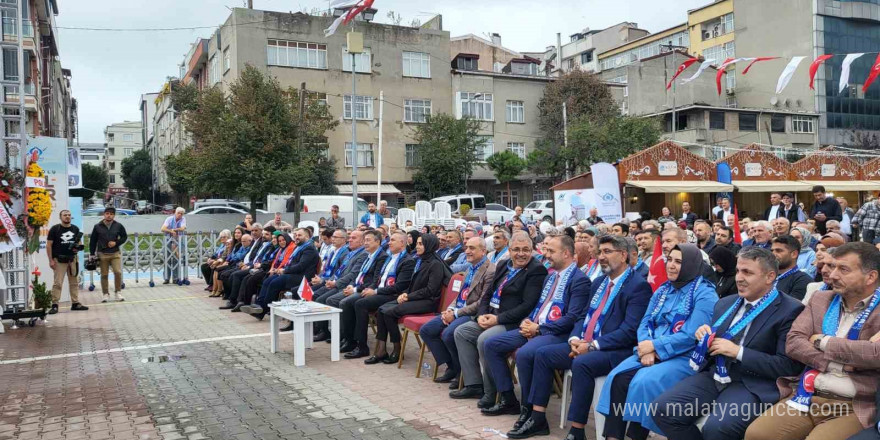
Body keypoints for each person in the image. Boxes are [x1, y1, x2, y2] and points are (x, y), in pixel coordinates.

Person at [507, 235, 651, 440]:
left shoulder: (637, 285)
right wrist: (574, 339)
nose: (601, 257)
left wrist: (592, 345)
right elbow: (582, 316)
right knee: (542, 354)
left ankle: (577, 430)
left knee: (583, 364)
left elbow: (629, 331)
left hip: (615, 350)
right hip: (584, 343)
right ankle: (538, 418)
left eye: (607, 252)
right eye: (600, 252)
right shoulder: (600, 282)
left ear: (624, 255)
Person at [653, 247, 805, 440]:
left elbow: (788, 366)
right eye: (738, 270)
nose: (739, 278)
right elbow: (712, 348)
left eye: (747, 272)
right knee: (663, 409)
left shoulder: (790, 310)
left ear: (769, 277)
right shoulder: (726, 303)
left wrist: (739, 352)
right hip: (716, 374)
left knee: (717, 428)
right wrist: (704, 339)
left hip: (752, 383)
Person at [745, 242, 880, 440]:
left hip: (853, 403)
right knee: (757, 434)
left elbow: (875, 355)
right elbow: (794, 342)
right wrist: (839, 361)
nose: (832, 275)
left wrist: (823, 342)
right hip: (805, 394)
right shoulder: (821, 299)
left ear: (871, 276)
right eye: (832, 267)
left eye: (843, 269)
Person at [595, 244, 717, 440]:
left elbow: (692, 334)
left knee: (644, 382)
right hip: (650, 351)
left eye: (679, 262)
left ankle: (637, 436)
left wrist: (655, 347)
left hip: (684, 356)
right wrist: (647, 347)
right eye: (670, 260)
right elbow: (645, 323)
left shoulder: (705, 293)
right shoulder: (663, 289)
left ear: (692, 265)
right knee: (617, 378)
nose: (671, 265)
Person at [480, 235, 591, 419]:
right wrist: (528, 321)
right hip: (536, 327)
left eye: (551, 251)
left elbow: (572, 318)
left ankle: (529, 409)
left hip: (557, 333)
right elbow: (539, 306)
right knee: (491, 344)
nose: (546, 255)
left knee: (525, 354)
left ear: (565, 254)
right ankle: (508, 398)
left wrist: (538, 329)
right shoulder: (551, 277)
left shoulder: (579, 280)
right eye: (546, 250)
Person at [450, 232, 547, 408]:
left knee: (484, 339)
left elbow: (527, 305)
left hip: (511, 322)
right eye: (516, 249)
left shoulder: (536, 270)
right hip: (491, 316)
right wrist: (481, 315)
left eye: (526, 250)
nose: (521, 254)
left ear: (532, 251)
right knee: (461, 332)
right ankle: (474, 384)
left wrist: (497, 319)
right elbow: (487, 294)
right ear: (509, 250)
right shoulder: (503, 264)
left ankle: (493, 392)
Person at [421, 236, 496, 384]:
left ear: (483, 251)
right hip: (457, 310)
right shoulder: (471, 267)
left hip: (471, 314)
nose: (467, 251)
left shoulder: (490, 271)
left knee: (449, 334)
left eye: (472, 248)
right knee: (427, 330)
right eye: (466, 247)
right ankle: (453, 367)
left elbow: (481, 302)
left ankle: (461, 372)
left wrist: (455, 313)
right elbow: (461, 294)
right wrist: (449, 309)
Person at [353, 231, 416, 362]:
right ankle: (380, 349)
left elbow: (399, 287)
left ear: (402, 243)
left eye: (393, 240)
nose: (389, 242)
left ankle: (363, 345)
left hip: (394, 295)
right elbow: (379, 279)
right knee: (361, 302)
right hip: (382, 292)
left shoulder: (408, 261)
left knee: (361, 304)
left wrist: (375, 292)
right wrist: (372, 288)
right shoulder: (389, 257)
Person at [242, 228, 320, 320]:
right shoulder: (300, 247)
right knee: (268, 280)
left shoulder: (309, 249)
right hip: (293, 273)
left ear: (307, 237)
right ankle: (259, 305)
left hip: (302, 277)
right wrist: (281, 270)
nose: (297, 237)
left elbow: (301, 266)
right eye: (296, 235)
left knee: (275, 282)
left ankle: (263, 309)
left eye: (300, 235)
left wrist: (284, 270)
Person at [333, 230, 388, 352]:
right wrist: (351, 286)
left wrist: (356, 289)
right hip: (359, 287)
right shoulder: (368, 255)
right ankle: (348, 339)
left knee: (346, 302)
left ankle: (356, 342)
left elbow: (374, 282)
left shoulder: (381, 257)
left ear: (378, 242)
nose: (365, 243)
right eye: (364, 240)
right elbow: (359, 276)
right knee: (343, 301)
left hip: (369, 290)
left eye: (368, 240)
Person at [46, 210, 87, 313]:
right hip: (59, 260)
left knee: (74, 283)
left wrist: (77, 248)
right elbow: (49, 245)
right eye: (65, 215)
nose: (67, 217)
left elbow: (79, 244)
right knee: (58, 283)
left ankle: (75, 303)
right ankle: (55, 304)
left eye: (69, 215)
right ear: (60, 217)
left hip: (72, 259)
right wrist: (51, 260)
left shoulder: (75, 229)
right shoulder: (55, 229)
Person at [89, 207, 128, 303]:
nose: (109, 215)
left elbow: (124, 237)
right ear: (104, 214)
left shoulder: (118, 225)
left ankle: (118, 292)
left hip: (115, 253)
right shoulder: (97, 226)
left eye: (111, 214)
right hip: (102, 253)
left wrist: (116, 243)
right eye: (107, 213)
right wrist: (91, 253)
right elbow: (93, 241)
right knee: (104, 274)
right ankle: (105, 294)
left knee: (118, 272)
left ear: (114, 215)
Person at [771, 235, 813, 301]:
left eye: (778, 251)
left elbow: (791, 308)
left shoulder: (802, 280)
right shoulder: (768, 276)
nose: (773, 254)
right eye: (772, 251)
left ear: (794, 254)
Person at [160, 207, 187, 285]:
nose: (180, 215)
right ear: (175, 212)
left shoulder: (183, 219)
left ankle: (175, 278)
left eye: (182, 213)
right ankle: (166, 278)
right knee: (167, 258)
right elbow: (163, 228)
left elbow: (182, 228)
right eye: (179, 213)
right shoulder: (169, 219)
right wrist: (170, 230)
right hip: (168, 240)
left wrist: (175, 230)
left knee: (176, 258)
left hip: (178, 240)